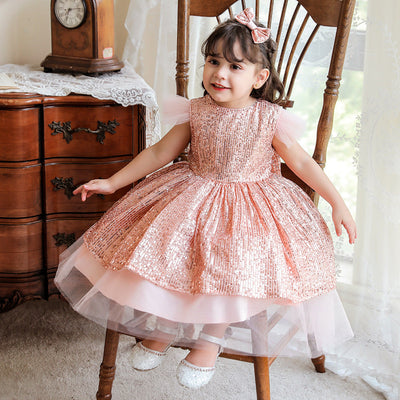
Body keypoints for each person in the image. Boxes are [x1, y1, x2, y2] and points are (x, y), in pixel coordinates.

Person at [55, 8, 356, 390]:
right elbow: (159, 153)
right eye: (213, 62)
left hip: (251, 207)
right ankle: (166, 327)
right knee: (168, 245)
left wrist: (337, 201)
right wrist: (114, 183)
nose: (220, 74)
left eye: (235, 66)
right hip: (192, 191)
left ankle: (210, 339)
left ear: (259, 78)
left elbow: (301, 163)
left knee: (231, 257)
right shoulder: (196, 111)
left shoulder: (267, 119)